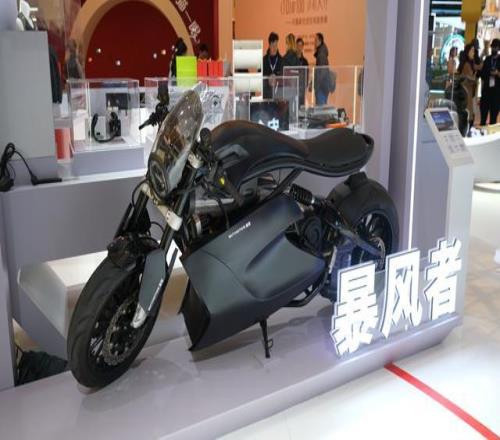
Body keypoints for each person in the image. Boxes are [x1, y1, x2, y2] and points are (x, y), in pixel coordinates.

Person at [479, 38, 500, 126]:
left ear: (498, 48)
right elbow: (482, 74)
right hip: (486, 91)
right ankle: (481, 131)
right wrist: (488, 73)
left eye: (495, 47)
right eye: (492, 47)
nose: (493, 49)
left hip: (496, 92)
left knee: (493, 118)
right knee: (483, 116)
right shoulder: (487, 59)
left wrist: (497, 73)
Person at [458, 44, 477, 131]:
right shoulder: (466, 65)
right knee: (468, 116)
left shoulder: (470, 63)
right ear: (467, 52)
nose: (473, 53)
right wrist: (474, 77)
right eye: (472, 51)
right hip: (466, 93)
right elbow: (469, 78)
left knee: (469, 115)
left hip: (468, 93)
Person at [263, 32, 283, 98]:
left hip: (279, 95)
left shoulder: (281, 60)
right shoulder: (264, 60)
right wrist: (267, 78)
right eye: (273, 45)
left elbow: (284, 78)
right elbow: (260, 77)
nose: (274, 48)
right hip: (266, 94)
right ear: (269, 45)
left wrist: (277, 78)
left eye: (276, 45)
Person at [313, 32, 330, 106]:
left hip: (321, 87)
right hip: (322, 87)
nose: (314, 42)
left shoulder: (321, 54)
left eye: (315, 40)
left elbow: (322, 73)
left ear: (320, 41)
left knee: (320, 108)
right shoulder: (321, 52)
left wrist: (316, 85)